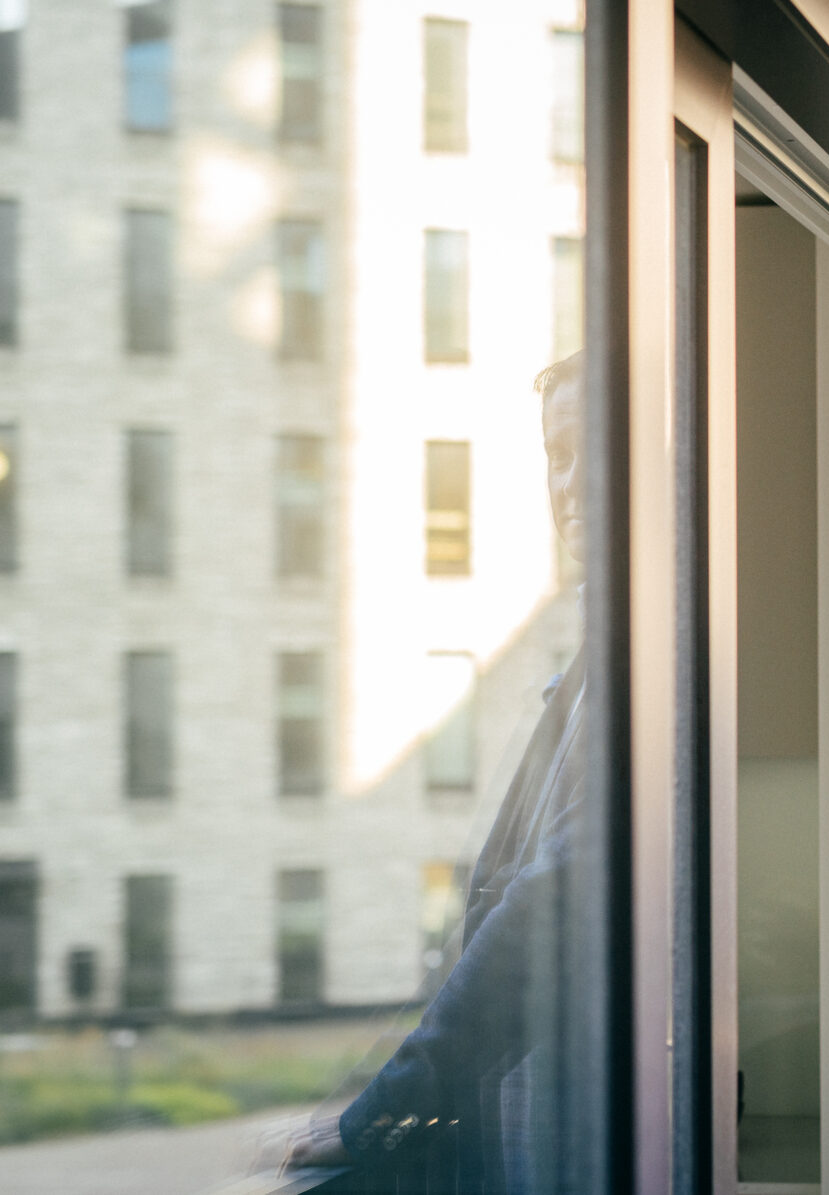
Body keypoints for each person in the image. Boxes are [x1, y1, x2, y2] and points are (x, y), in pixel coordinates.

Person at [282, 352, 590, 1191]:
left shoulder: (650, 660)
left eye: (595, 452)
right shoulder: (606, 652)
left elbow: (548, 904)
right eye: (556, 456)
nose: (570, 484)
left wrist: (384, 1115)